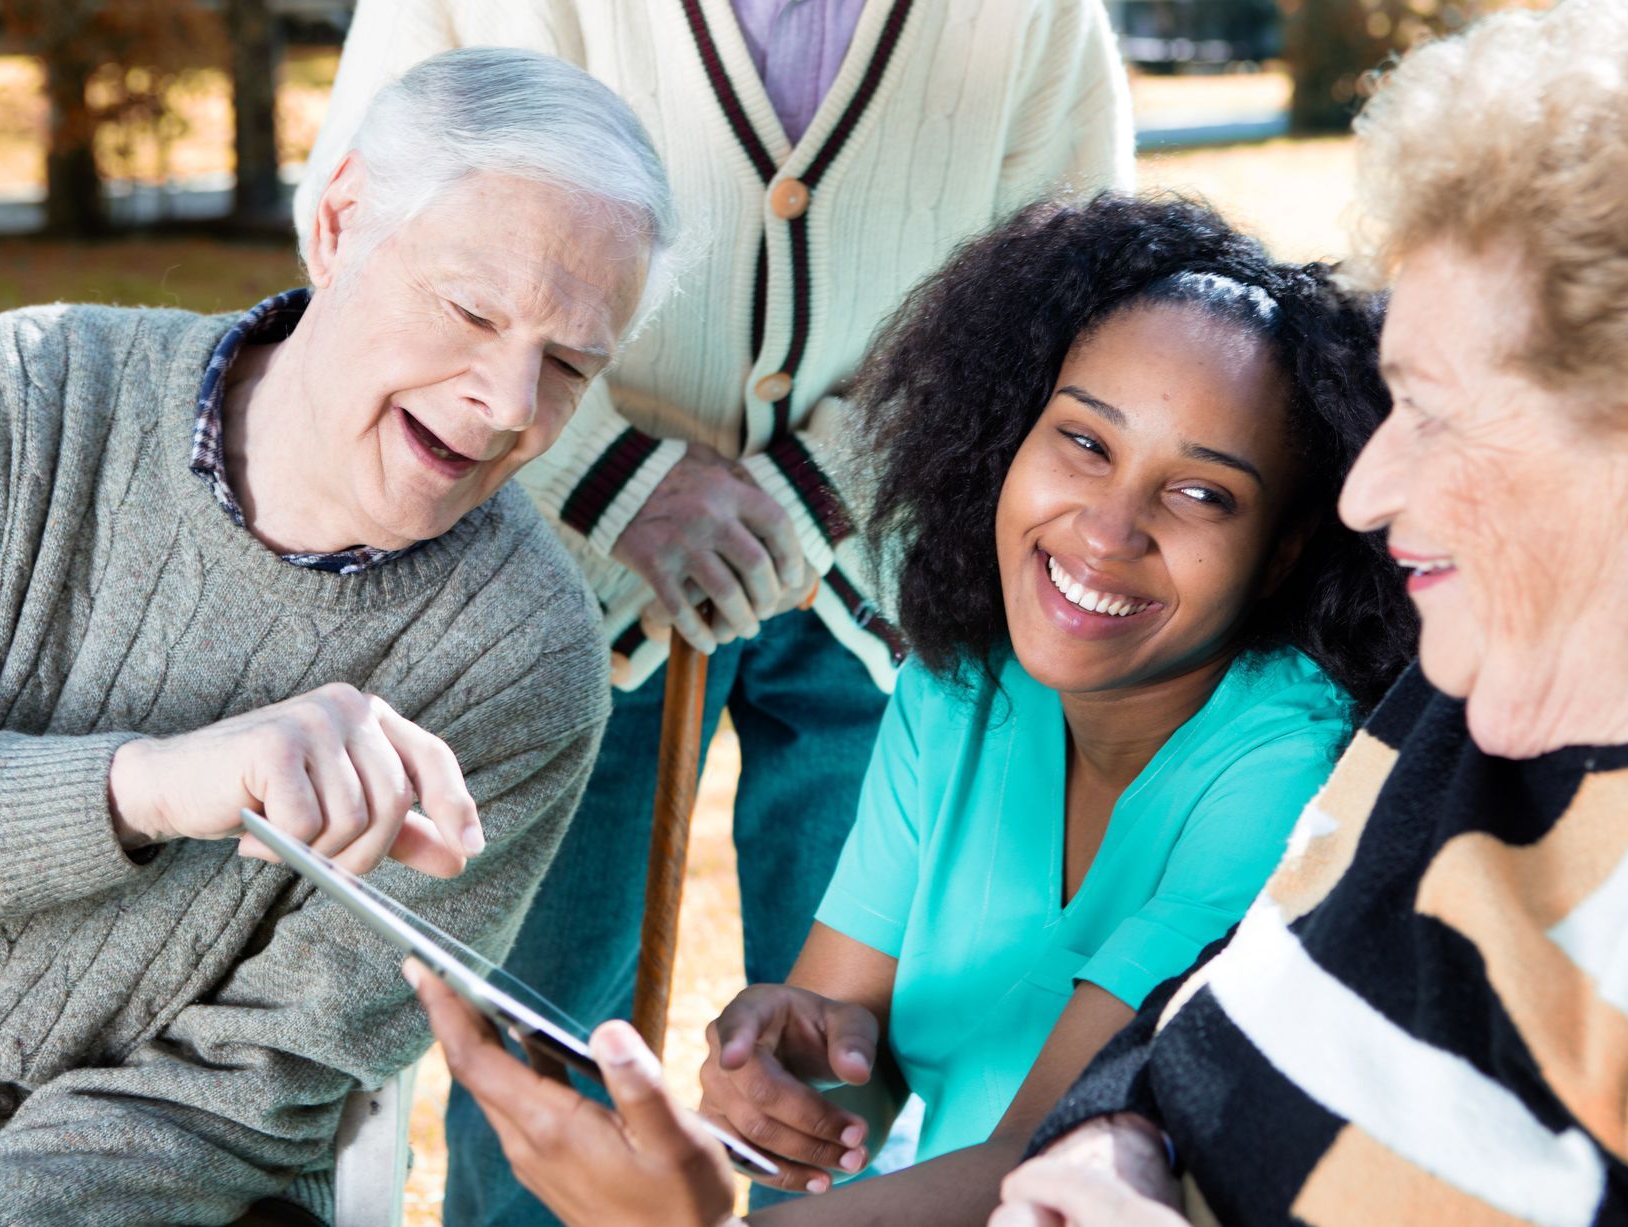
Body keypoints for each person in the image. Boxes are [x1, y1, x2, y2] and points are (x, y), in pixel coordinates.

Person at [989, 1, 1628, 1224]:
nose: (1366, 489)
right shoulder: (1472, 673)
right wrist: (1109, 1142)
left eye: (1434, 413)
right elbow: (1236, 987)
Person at [409, 194, 1419, 1227]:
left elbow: (1053, 1161)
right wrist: (792, 1073)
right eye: (1082, 442)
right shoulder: (965, 682)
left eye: (1201, 494)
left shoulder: (1297, 769)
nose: (1109, 529)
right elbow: (854, 1042)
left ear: (1288, 547)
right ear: (1007, 435)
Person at [294, 5, 1134, 1222]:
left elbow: (1071, 278)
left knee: (851, 1084)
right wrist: (616, 479)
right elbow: (361, 213)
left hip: (887, 592)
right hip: (559, 583)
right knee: (546, 1078)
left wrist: (817, 489)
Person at [0, 47, 674, 1226]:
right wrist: (151, 785)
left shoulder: (526, 661)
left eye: (570, 365)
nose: (507, 403)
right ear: (339, 225)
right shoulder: (25, 396)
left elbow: (245, 1095)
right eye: (472, 310)